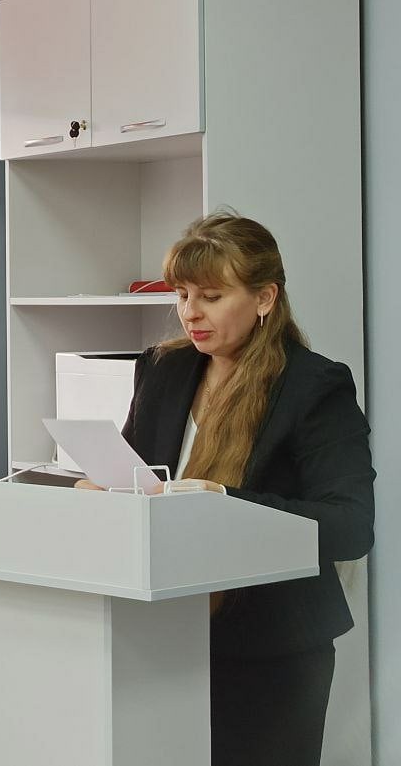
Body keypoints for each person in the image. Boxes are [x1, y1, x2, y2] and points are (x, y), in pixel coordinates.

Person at [77, 212, 374, 766]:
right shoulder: (163, 368)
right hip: (160, 632)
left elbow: (351, 525)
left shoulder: (314, 386)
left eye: (211, 296)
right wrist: (104, 492)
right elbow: (138, 476)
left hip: (272, 650)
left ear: (265, 298)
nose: (190, 312)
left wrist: (224, 503)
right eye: (183, 294)